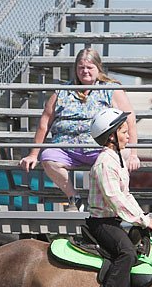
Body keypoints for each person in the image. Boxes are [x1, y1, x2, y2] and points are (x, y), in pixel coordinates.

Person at [19, 48, 140, 212]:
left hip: (101, 147)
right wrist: (33, 154)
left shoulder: (110, 89)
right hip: (66, 147)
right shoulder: (62, 91)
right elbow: (45, 122)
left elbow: (130, 120)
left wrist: (133, 153)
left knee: (120, 155)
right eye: (81, 67)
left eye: (89, 67)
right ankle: (74, 198)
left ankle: (112, 200)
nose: (85, 71)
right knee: (48, 156)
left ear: (98, 68)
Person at [86, 108, 152, 287]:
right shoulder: (105, 163)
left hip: (112, 220)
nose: (128, 136)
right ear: (111, 137)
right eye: (124, 132)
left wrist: (142, 217)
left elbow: (126, 194)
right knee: (126, 252)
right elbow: (115, 199)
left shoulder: (117, 160)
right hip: (102, 223)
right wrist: (142, 220)